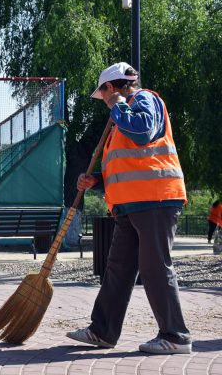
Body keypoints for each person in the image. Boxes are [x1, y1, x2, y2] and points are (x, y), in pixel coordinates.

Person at [66, 62, 192, 354]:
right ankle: (102, 332)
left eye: (104, 92)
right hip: (131, 204)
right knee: (118, 269)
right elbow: (126, 166)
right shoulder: (122, 115)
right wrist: (95, 180)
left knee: (155, 268)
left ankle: (176, 337)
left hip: (156, 200)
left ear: (112, 87)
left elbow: (143, 134)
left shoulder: (143, 100)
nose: (104, 100)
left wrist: (118, 104)